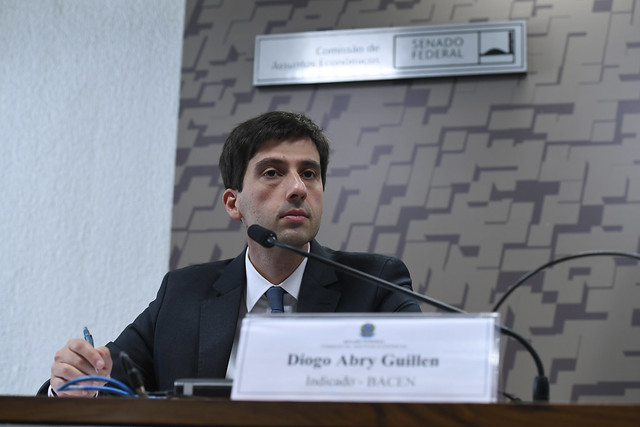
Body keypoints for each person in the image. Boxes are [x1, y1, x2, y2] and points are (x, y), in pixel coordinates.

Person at [44, 111, 421, 397]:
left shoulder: (374, 286)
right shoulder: (183, 294)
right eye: (273, 172)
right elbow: (98, 381)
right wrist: (77, 381)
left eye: (309, 173)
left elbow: (427, 384)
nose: (297, 189)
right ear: (233, 202)